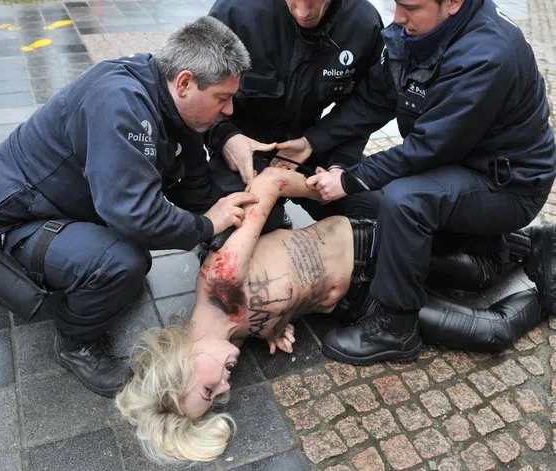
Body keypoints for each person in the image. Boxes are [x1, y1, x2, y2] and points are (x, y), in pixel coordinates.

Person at [115, 167, 554, 463]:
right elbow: (274, 305)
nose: (227, 384)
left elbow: (269, 182)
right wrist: (276, 327)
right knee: (491, 332)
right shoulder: (226, 337)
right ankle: (549, 289)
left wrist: (330, 189)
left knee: (475, 273)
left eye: (210, 388)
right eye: (219, 396)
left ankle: (534, 242)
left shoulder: (220, 281)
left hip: (372, 247)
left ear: (181, 363)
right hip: (363, 302)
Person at [0, 17, 259, 397]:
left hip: (61, 205)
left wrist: (220, 238)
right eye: (222, 98)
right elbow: (136, 215)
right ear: (184, 83)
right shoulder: (121, 104)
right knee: (124, 262)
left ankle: (81, 273)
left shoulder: (173, 106)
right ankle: (76, 343)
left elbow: (191, 181)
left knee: (123, 254)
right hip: (0, 228)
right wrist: (206, 226)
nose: (229, 110)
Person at [274, 0, 556, 364]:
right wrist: (312, 143)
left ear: (453, 2)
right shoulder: (419, 32)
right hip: (459, 163)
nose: (398, 18)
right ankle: (522, 245)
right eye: (396, 4)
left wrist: (351, 179)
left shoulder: (488, 54)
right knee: (368, 199)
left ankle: (395, 327)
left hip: (508, 186)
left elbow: (427, 147)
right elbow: (372, 101)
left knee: (404, 200)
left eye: (412, 7)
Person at [205, 0, 385, 231]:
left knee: (376, 211)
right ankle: (272, 217)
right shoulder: (235, 12)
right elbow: (193, 96)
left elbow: (366, 103)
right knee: (238, 225)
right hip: (243, 143)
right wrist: (225, 137)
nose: (302, 13)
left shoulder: (363, 23)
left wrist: (338, 162)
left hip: (313, 140)